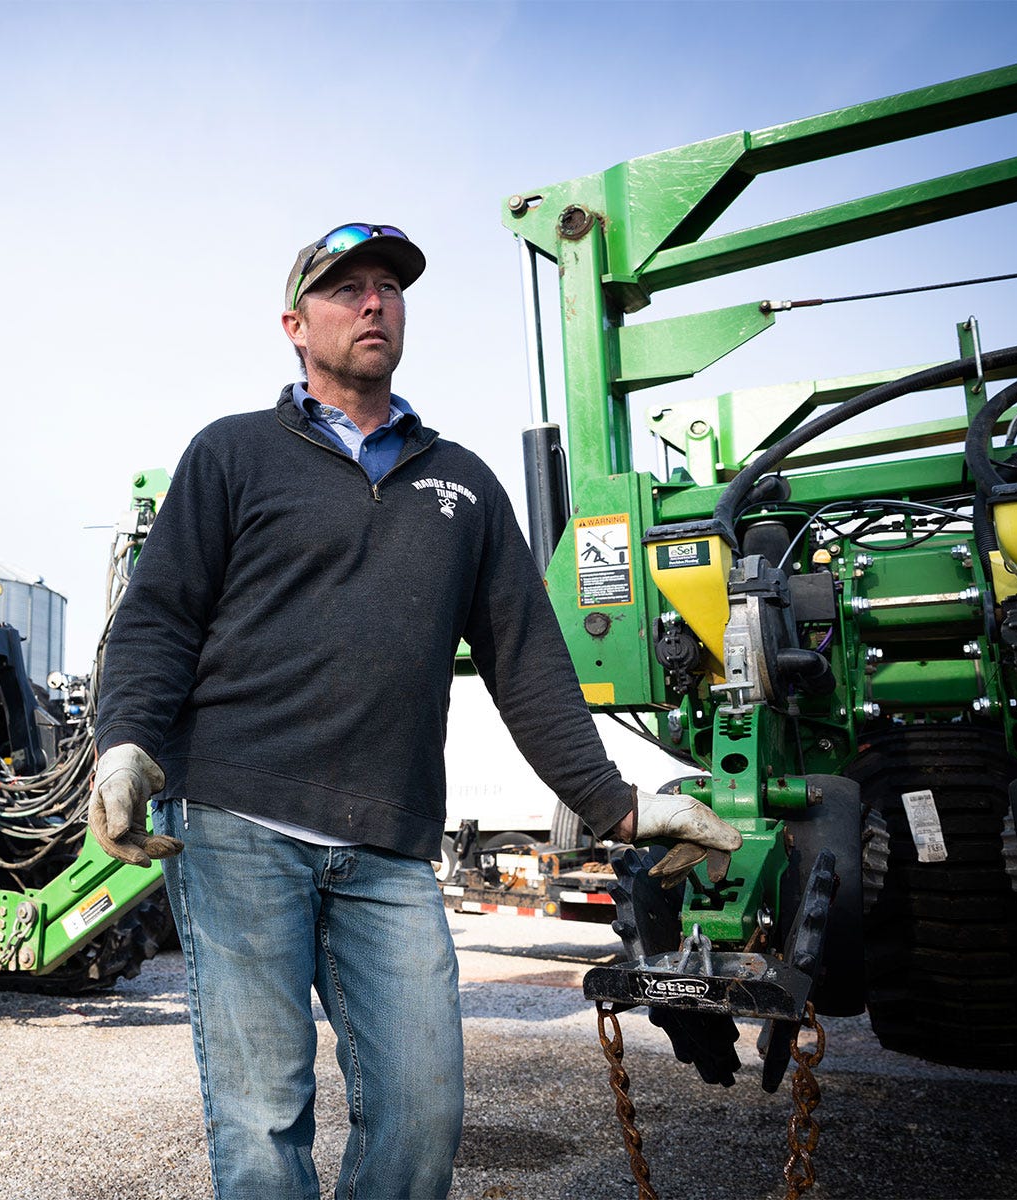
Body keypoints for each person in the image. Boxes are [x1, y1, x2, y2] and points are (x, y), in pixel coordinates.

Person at [89, 222, 742, 1200]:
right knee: (262, 1118)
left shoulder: (463, 484)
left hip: (386, 846)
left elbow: (529, 666)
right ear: (293, 324)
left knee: (424, 1113)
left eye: (389, 286)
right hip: (235, 825)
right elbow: (158, 620)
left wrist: (621, 807)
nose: (373, 302)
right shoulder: (231, 456)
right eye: (346, 287)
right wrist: (125, 747)